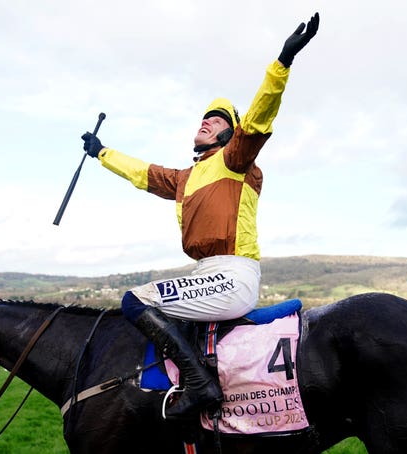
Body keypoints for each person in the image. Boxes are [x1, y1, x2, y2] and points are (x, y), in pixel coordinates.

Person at [81, 13, 320, 419]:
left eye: (219, 119)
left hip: (233, 274)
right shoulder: (185, 178)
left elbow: (260, 117)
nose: (206, 120)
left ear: (232, 132)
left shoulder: (236, 160)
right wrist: (103, 153)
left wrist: (281, 64)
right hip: (205, 274)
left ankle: (200, 386)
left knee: (134, 302)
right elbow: (143, 173)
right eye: (205, 117)